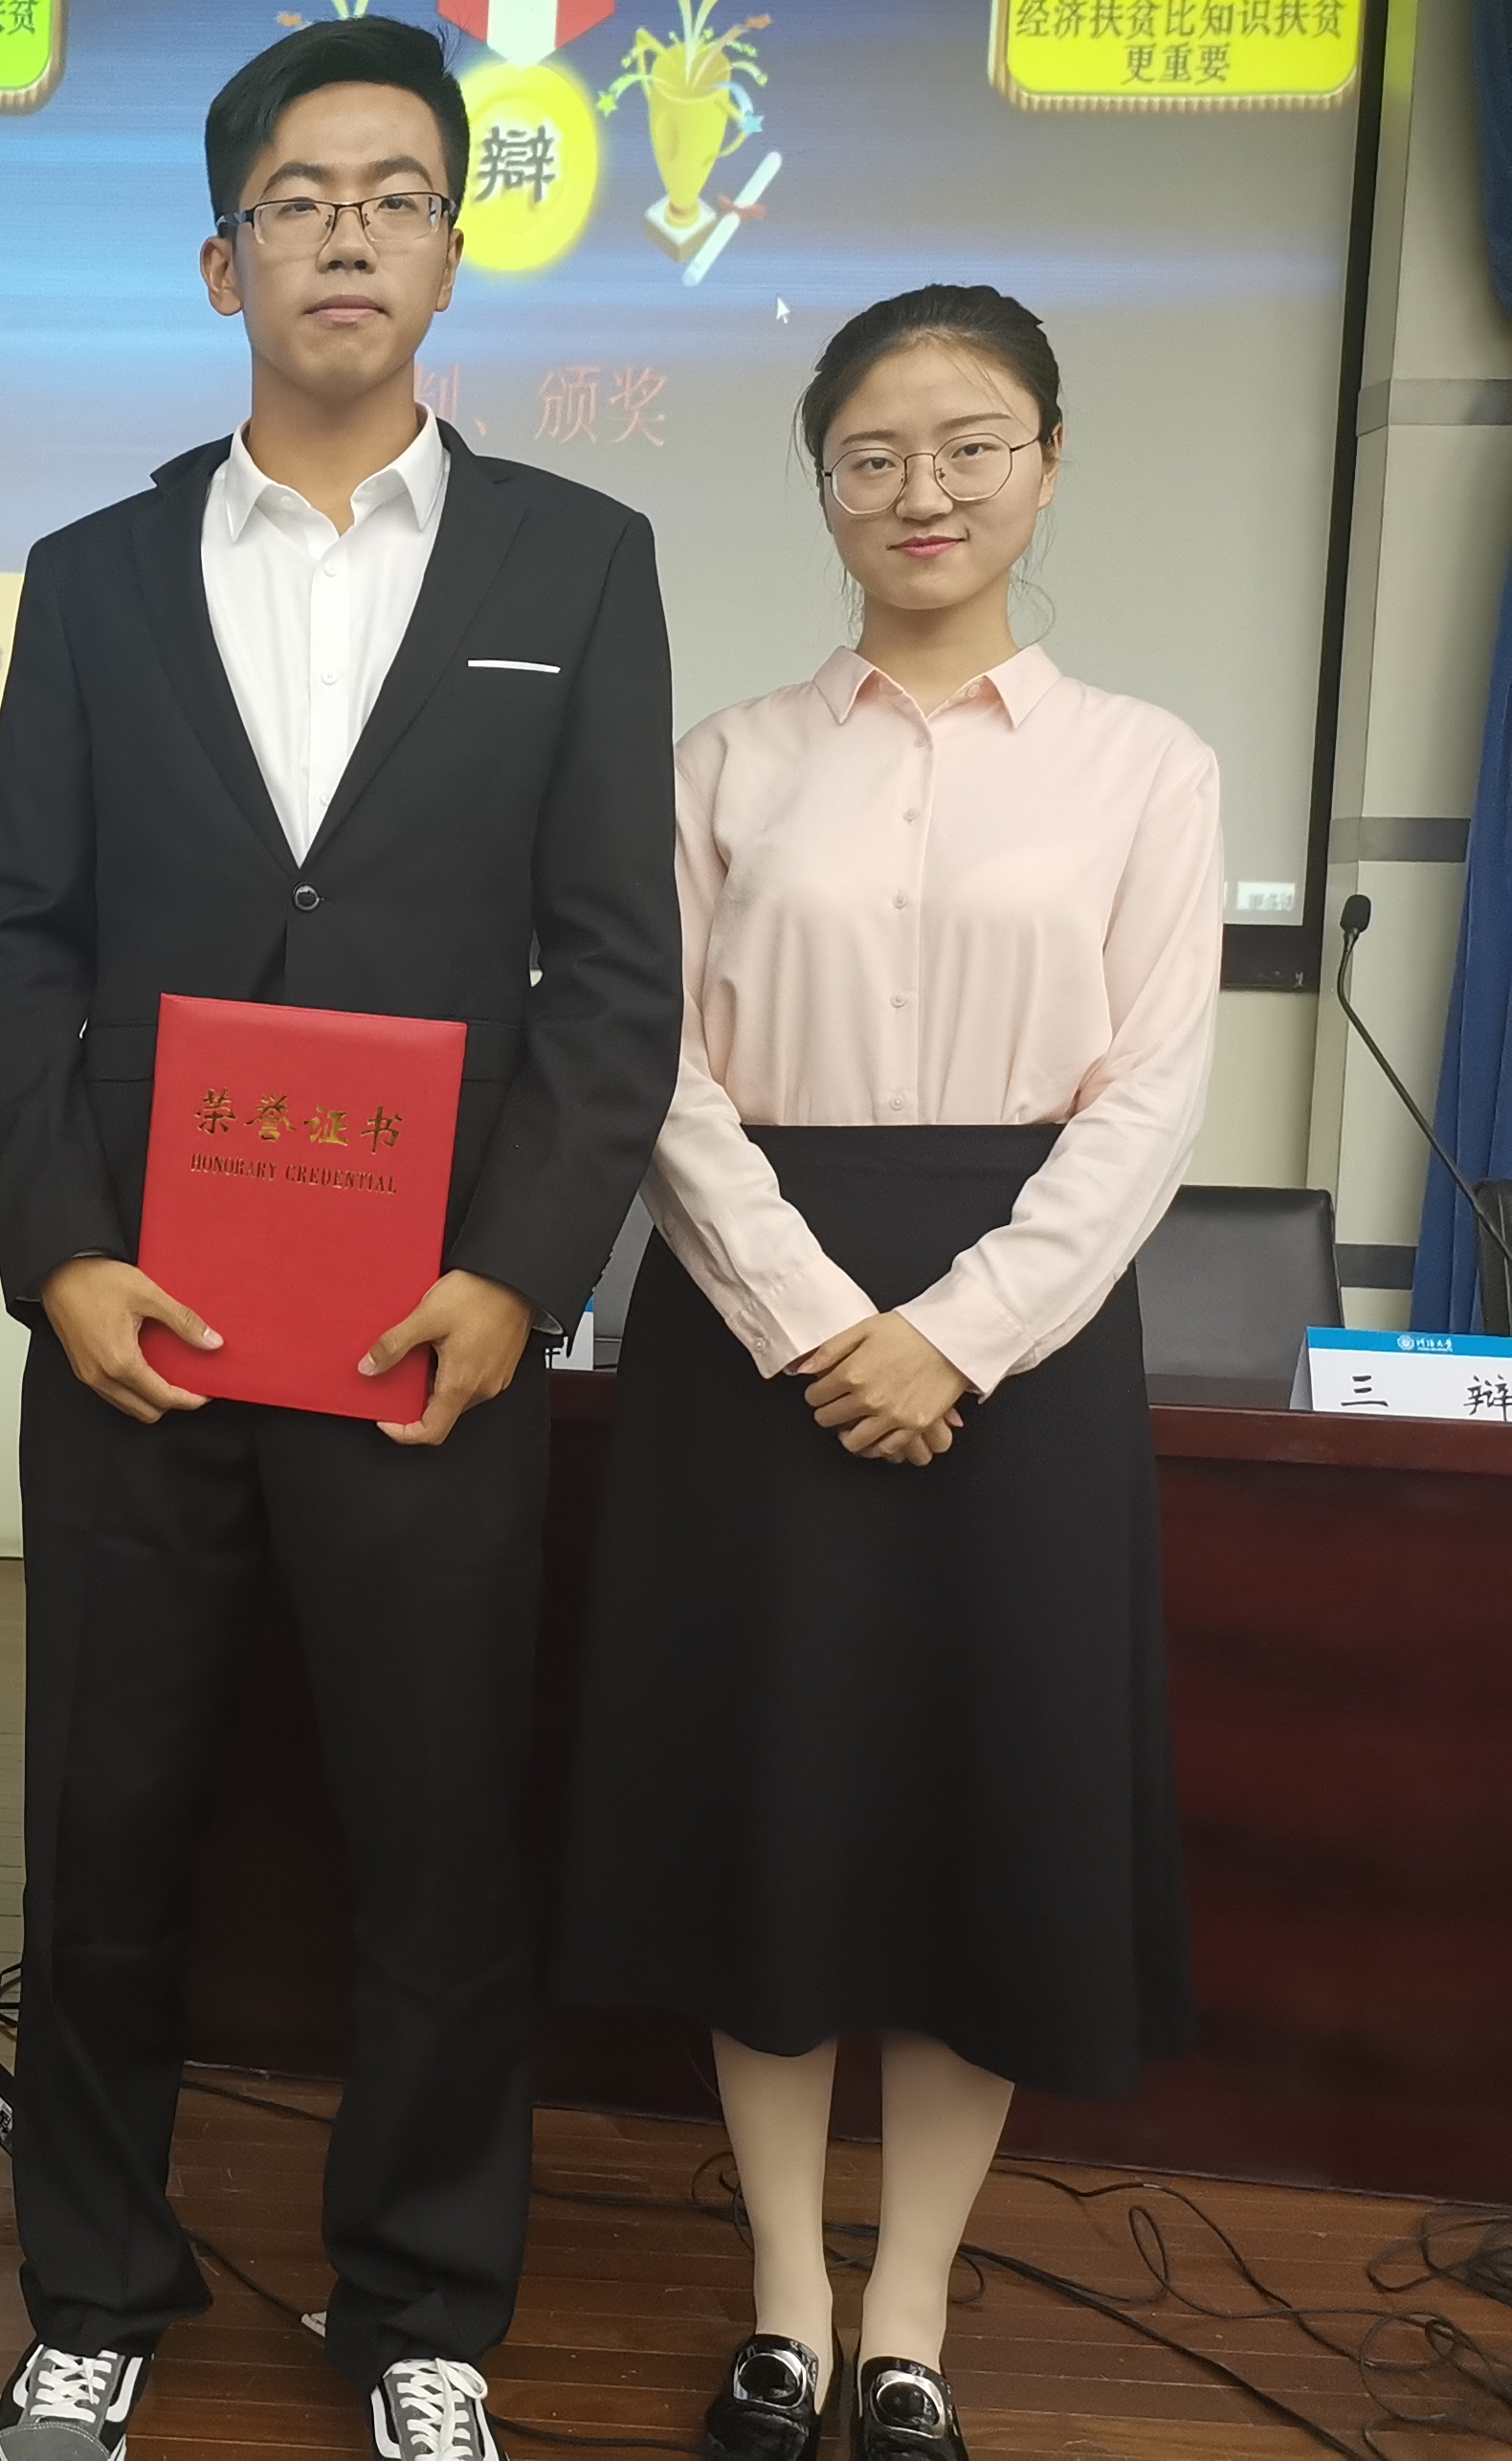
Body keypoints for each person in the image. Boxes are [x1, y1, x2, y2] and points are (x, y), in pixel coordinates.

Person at [0, 19, 680, 2461]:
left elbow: (616, 972)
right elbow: (16, 944)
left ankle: (425, 2311)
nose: (346, 235)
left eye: (393, 196)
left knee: (438, 1845)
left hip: (428, 1338)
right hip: (137, 1336)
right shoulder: (94, 575)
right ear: (222, 258)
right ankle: (91, 2287)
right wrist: (59, 1254)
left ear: (455, 250)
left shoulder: (579, 564)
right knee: (103, 1839)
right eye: (299, 197)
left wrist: (524, 1274)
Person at [554, 286, 1216, 2461]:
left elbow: (1149, 1103)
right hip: (760, 1343)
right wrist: (825, 1320)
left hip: (1025, 1359)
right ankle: (783, 2303)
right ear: (823, 482)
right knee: (779, 1815)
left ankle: (910, 2313)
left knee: (978, 1828)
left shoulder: (1148, 767)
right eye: (874, 454)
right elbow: (655, 1069)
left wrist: (957, 1334)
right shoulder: (725, 763)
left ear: (1050, 462)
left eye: (972, 443)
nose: (923, 489)